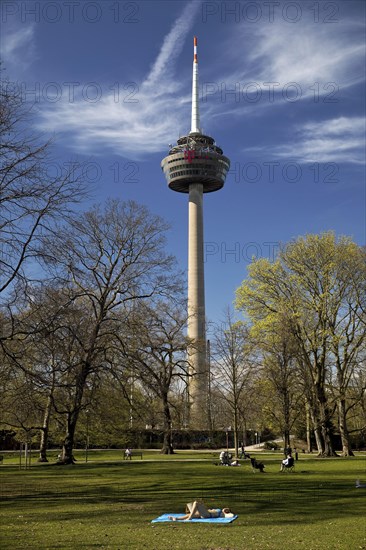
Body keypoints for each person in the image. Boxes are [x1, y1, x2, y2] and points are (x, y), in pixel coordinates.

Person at [169, 501, 234, 521]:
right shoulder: (219, 510)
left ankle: (190, 518)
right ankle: (176, 518)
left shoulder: (223, 514)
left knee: (196, 503)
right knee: (190, 505)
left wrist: (228, 512)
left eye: (227, 509)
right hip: (205, 513)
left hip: (207, 515)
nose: (225, 508)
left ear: (227, 511)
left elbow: (232, 515)